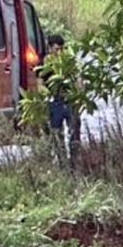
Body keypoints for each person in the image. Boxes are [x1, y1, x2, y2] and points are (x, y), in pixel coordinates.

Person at [40, 34, 80, 168]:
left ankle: (74, 163)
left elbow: (78, 78)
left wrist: (79, 93)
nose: (59, 52)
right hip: (54, 102)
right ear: (50, 48)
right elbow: (40, 82)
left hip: (69, 99)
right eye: (56, 49)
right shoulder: (46, 63)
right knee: (57, 134)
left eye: (62, 49)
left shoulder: (69, 61)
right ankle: (62, 163)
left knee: (74, 131)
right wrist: (45, 96)